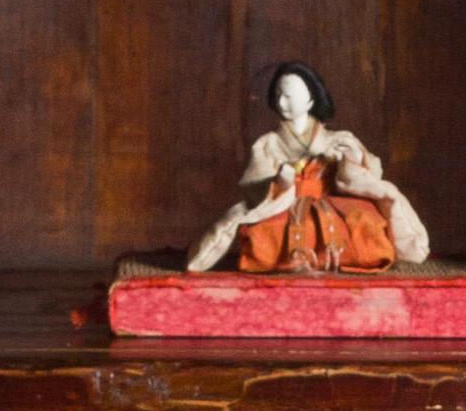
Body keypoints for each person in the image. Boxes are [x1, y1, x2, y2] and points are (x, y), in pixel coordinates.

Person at [184, 64, 431, 279]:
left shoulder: (337, 138)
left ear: (311, 99)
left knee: (365, 222)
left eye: (289, 96)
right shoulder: (268, 143)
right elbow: (253, 186)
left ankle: (347, 256)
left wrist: (353, 160)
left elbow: (369, 174)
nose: (282, 102)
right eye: (278, 95)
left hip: (333, 201)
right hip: (284, 204)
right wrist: (279, 181)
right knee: (264, 232)